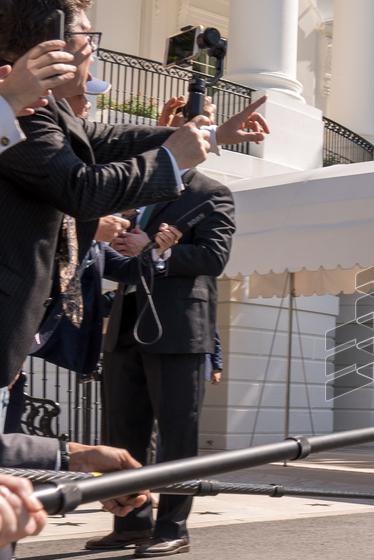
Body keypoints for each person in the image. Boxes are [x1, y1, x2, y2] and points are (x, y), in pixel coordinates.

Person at [0, 0, 267, 393]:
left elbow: (104, 140)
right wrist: (172, 159)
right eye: (87, 35)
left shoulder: (42, 109)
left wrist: (211, 135)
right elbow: (81, 189)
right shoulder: (22, 112)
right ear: (52, 45)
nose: (93, 48)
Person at [89, 92, 240, 557]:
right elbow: (115, 264)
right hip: (125, 327)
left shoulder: (211, 192)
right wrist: (121, 247)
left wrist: (160, 251)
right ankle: (131, 522)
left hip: (178, 332)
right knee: (123, 430)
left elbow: (214, 258)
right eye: (177, 121)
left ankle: (173, 527)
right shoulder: (136, 192)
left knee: (178, 434)